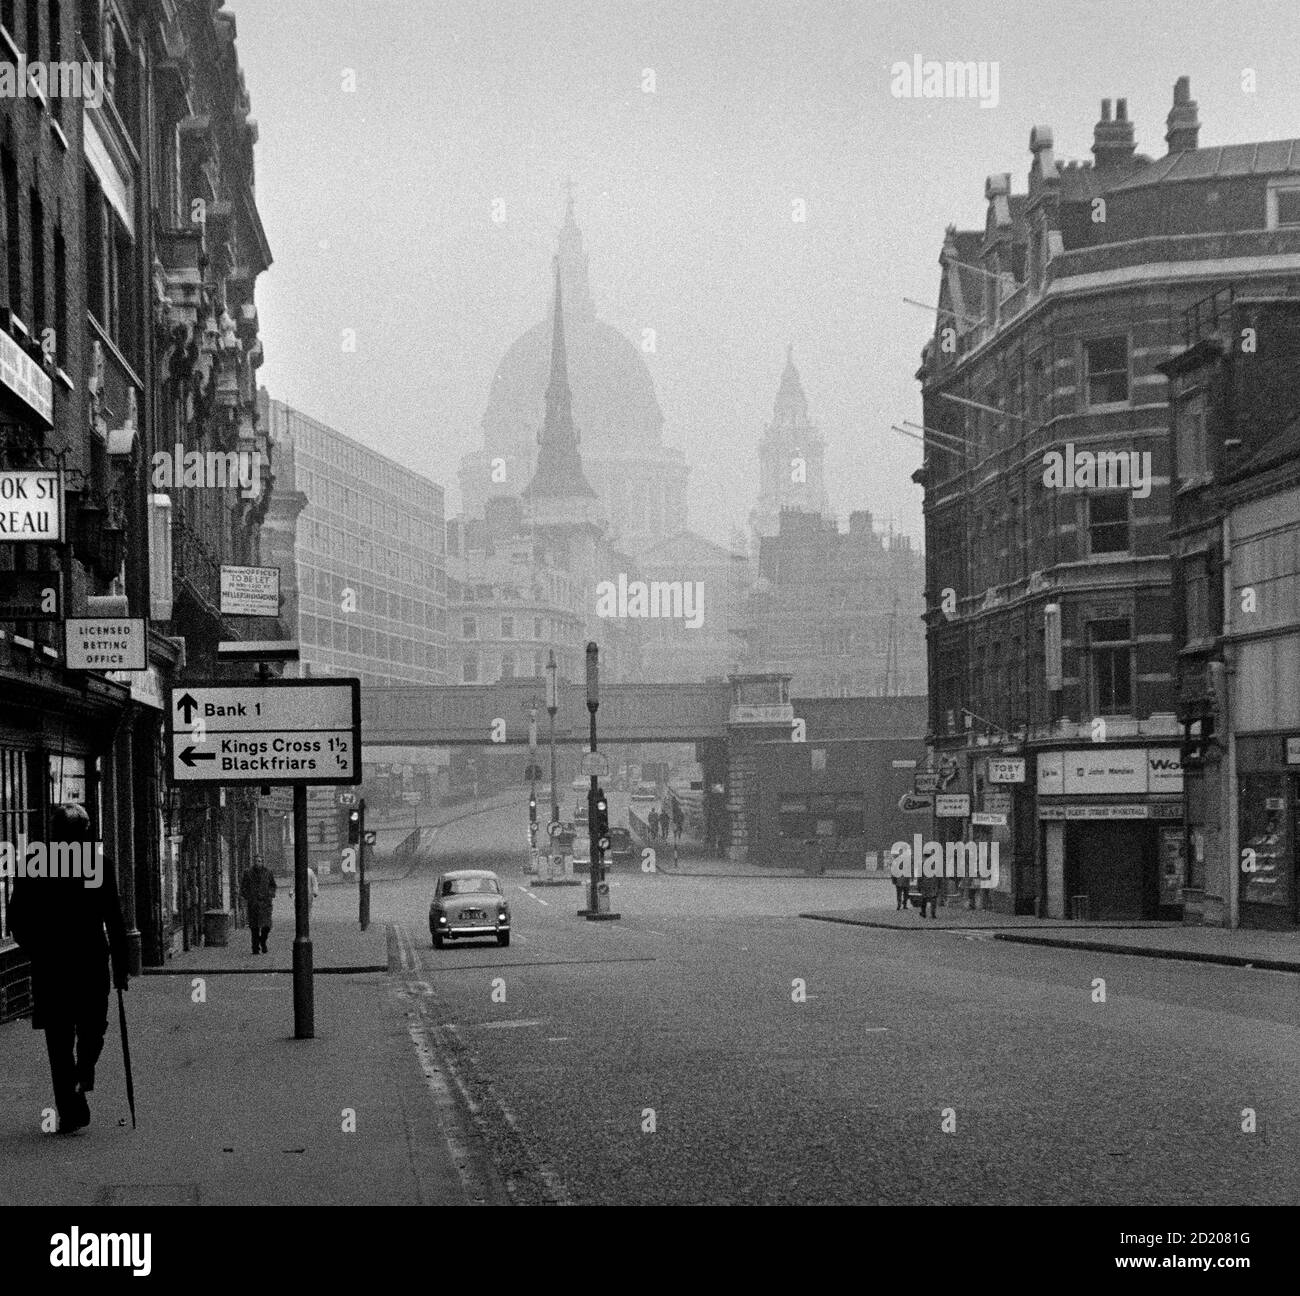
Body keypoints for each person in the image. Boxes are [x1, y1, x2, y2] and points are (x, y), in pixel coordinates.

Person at [8, 803, 129, 1135]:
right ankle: (82, 1078)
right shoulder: (97, 865)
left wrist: (39, 950)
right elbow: (115, 920)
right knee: (91, 1027)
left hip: (53, 968)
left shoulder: (35, 863)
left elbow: (16, 920)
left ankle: (70, 1102)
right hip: (89, 964)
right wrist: (121, 966)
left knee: (59, 1041)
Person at [240, 855, 276, 953]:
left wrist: (270, 894)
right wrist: (249, 896)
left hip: (265, 904)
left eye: (260, 861)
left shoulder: (268, 872)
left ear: (263, 862)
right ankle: (255, 948)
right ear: (254, 862)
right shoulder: (248, 873)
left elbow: (273, 885)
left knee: (267, 927)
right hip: (254, 905)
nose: (258, 863)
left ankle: (262, 941)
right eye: (256, 861)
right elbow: (243, 887)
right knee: (254, 927)